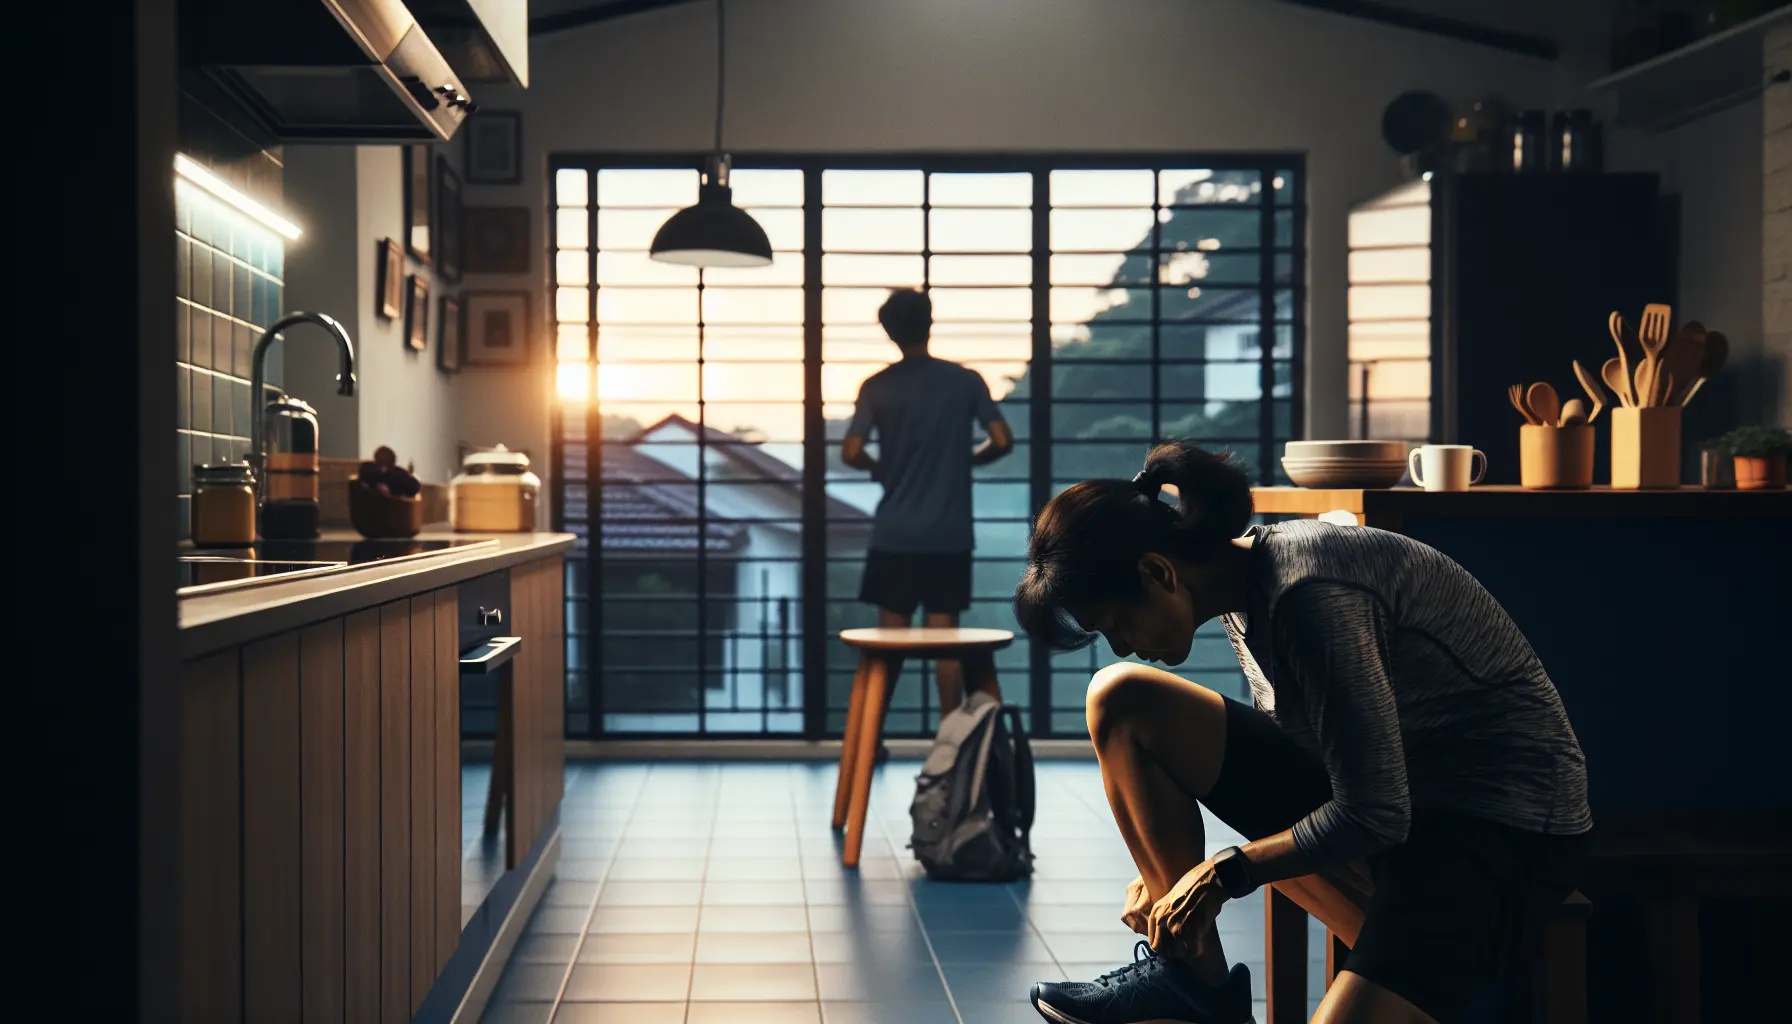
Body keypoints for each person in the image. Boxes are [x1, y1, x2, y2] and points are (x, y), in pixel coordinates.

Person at [1012, 441, 1590, 1024]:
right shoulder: (1243, 586)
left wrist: (1225, 871)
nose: (1122, 644)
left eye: (1115, 624)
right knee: (1121, 698)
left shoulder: (1309, 595)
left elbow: (1375, 812)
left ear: (1158, 573)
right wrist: (1161, 879)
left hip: (1499, 827)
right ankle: (1191, 979)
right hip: (1401, 808)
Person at [843, 289, 1014, 721]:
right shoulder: (965, 381)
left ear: (888, 331)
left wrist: (881, 469)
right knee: (946, 641)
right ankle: (949, 737)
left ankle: (872, 735)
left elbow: (849, 451)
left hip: (895, 533)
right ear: (930, 321)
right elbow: (1002, 441)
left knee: (888, 643)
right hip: (948, 533)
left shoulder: (876, 386)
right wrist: (965, 460)